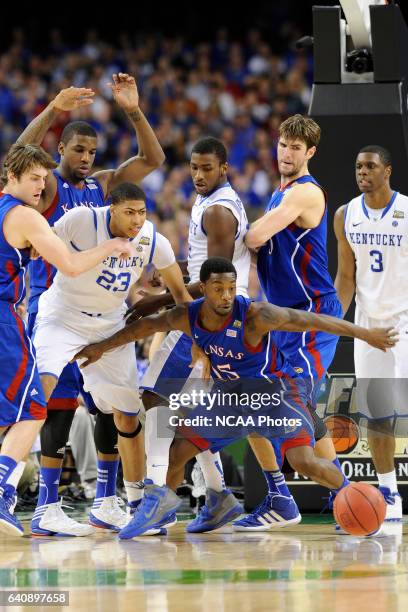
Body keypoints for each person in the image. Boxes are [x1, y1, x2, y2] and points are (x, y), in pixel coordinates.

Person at [73, 257, 397, 538]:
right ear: (203, 287)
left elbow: (312, 320)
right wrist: (101, 347)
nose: (227, 295)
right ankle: (160, 511)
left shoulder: (257, 314)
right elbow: (144, 327)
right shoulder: (189, 316)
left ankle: (356, 495)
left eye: (231, 287)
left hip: (276, 392)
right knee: (177, 452)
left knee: (303, 462)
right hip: (233, 400)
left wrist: (365, 333)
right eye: (218, 288)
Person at [15, 74, 165, 536]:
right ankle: (46, 505)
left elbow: (154, 159)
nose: (85, 158)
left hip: (101, 311)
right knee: (55, 406)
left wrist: (133, 110)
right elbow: (17, 157)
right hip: (52, 303)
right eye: (77, 150)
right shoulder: (45, 188)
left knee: (107, 408)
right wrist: (53, 108)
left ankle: (105, 500)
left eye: (91, 152)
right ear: (60, 150)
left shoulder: (104, 186)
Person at [31, 182, 193, 536]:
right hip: (63, 316)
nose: (137, 220)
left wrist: (200, 339)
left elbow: (181, 295)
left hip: (110, 325)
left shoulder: (153, 240)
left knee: (127, 410)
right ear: (111, 209)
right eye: (129, 212)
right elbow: (34, 247)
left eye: (142, 212)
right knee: (41, 392)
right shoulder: (80, 220)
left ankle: (131, 504)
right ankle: (38, 505)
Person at [0, 143, 133, 537]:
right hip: (5, 320)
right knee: (34, 410)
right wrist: (112, 245)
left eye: (45, 178)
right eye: (35, 179)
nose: (42, 186)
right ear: (13, 176)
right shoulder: (24, 215)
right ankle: (3, 492)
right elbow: (72, 266)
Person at [125, 137, 251, 532]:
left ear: (224, 168)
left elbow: (216, 280)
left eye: (207, 168)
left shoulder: (217, 211)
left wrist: (157, 301)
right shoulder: (208, 201)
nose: (198, 175)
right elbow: (201, 264)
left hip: (210, 316)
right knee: (188, 412)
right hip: (220, 318)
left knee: (154, 396)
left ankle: (157, 496)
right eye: (194, 167)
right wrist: (171, 270)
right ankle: (218, 495)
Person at [237, 114, 344, 530]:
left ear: (310, 153)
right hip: (282, 319)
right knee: (261, 406)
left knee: (278, 410)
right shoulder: (280, 192)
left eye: (296, 148)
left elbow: (254, 238)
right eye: (283, 144)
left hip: (308, 317)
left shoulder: (304, 194)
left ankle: (353, 499)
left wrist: (237, 231)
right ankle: (340, 497)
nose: (286, 152)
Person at [334, 144, 407, 521]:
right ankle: (389, 494)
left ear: (387, 170)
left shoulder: (407, 211)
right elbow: (346, 278)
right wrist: (333, 322)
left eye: (371, 166)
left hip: (406, 323)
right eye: (359, 166)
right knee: (379, 416)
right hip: (368, 328)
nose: (363, 172)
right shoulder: (345, 215)